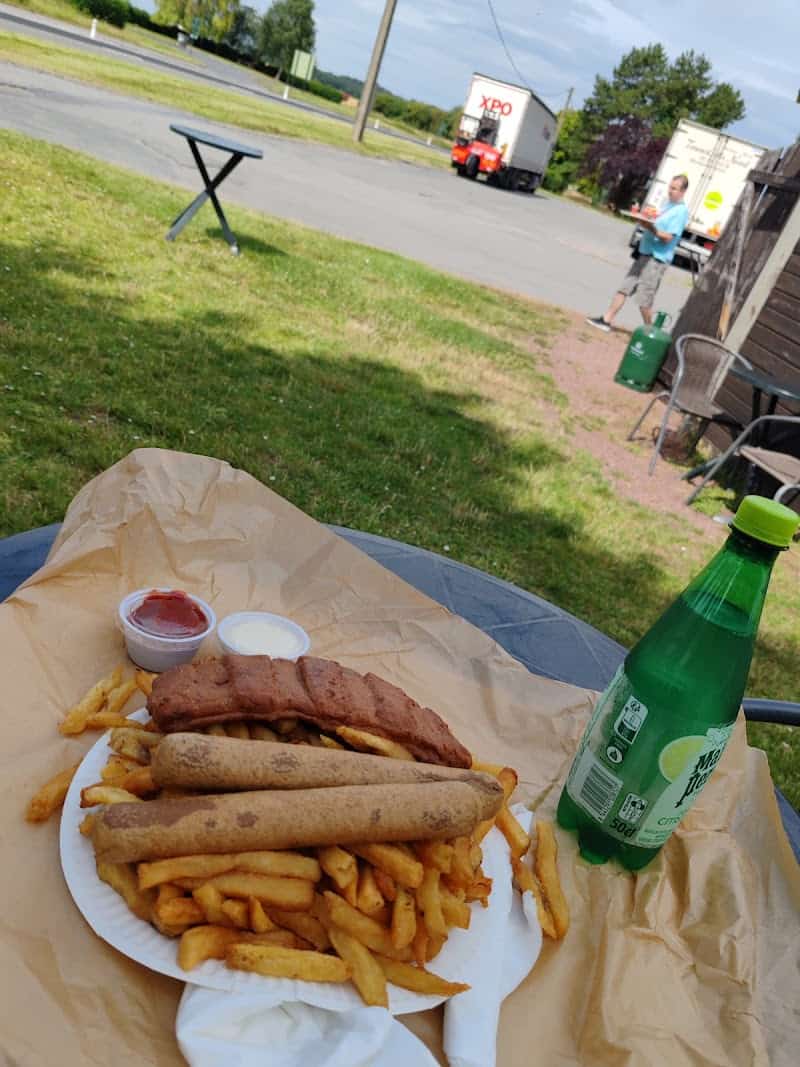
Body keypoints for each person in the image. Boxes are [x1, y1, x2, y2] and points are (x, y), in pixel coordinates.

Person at [586, 175, 690, 332]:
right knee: (625, 287)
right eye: (670, 187)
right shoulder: (667, 204)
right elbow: (655, 220)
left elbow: (668, 238)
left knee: (644, 299)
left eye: (674, 188)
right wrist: (644, 219)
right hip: (645, 253)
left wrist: (651, 228)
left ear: (683, 191)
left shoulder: (681, 212)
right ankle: (606, 320)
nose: (670, 191)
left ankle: (651, 332)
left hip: (657, 259)